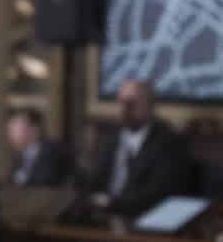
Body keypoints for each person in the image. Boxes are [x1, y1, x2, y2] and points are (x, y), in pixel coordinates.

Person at [80, 77, 198, 221]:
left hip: (141, 220)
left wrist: (109, 203)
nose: (125, 109)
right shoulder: (110, 137)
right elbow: (93, 181)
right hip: (99, 217)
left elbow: (156, 195)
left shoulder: (169, 142)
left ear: (150, 105)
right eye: (122, 102)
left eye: (132, 103)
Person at [5, 107, 74, 188]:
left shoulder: (54, 154)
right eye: (9, 128)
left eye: (15, 126)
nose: (10, 132)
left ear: (34, 129)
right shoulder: (19, 159)